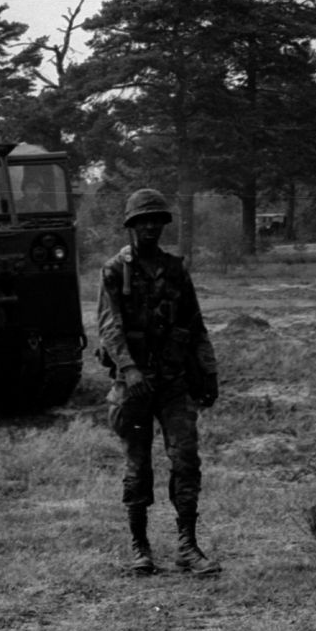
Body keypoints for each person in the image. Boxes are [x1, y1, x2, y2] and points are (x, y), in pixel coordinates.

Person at [96, 189, 222, 575]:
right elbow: (109, 327)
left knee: (185, 460)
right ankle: (140, 547)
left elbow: (195, 325)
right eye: (143, 221)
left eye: (157, 220)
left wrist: (208, 371)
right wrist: (130, 369)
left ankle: (187, 545)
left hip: (173, 382)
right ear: (131, 225)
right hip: (134, 384)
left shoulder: (176, 270)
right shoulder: (116, 271)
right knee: (138, 466)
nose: (151, 226)